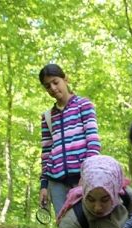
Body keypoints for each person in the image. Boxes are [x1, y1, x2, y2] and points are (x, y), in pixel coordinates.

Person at [37, 64, 101, 216]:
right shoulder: (47, 116)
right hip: (56, 181)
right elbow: (46, 153)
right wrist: (44, 185)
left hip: (82, 178)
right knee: (65, 227)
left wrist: (87, 174)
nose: (53, 88)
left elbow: (93, 143)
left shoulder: (83, 105)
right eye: (47, 86)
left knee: (89, 223)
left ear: (65, 79)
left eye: (55, 82)